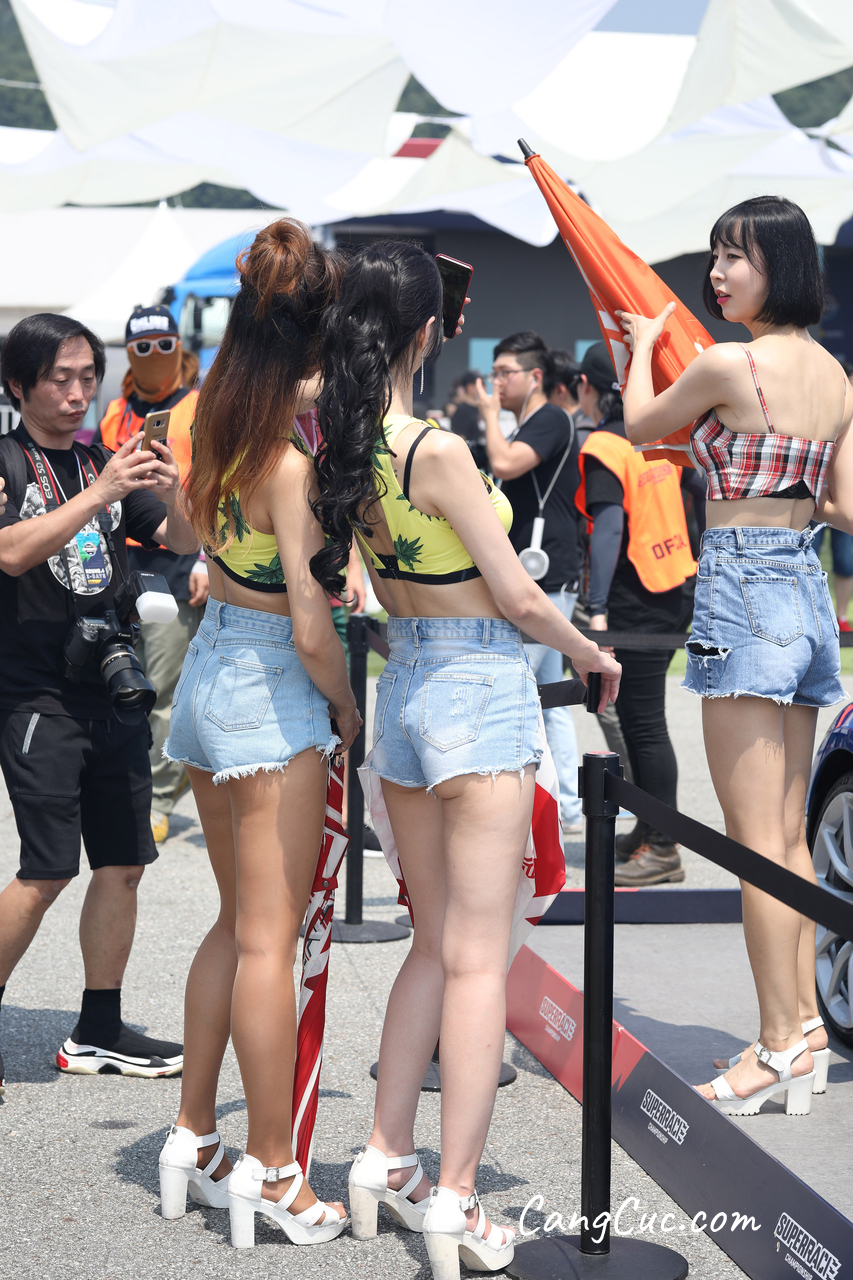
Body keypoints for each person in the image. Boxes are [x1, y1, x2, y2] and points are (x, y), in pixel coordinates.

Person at [310, 241, 620, 1279]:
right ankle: (455, 1195)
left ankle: (383, 1156)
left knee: (434, 943)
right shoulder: (433, 446)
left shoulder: (348, 439)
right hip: (476, 681)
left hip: (403, 684)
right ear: (426, 329)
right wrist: (590, 655)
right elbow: (520, 596)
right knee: (481, 957)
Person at [618, 194, 852, 1116]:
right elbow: (845, 506)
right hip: (805, 586)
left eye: (734, 257)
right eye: (715, 255)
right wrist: (777, 475)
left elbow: (641, 429)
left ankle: (775, 1044)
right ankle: (803, 1031)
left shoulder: (727, 362)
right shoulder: (834, 375)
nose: (716, 273)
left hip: (742, 586)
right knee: (787, 836)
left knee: (756, 844)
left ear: (777, 267)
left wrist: (640, 348)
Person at [157, 218, 359, 1247]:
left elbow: (182, 537)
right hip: (272, 684)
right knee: (267, 940)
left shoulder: (215, 433)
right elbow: (314, 627)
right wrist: (347, 708)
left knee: (237, 923)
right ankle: (276, 1170)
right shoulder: (288, 464)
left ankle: (191, 1133)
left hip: (210, 671)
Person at [0, 313, 198, 1089]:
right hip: (37, 695)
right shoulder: (9, 462)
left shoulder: (100, 462)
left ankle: (99, 1029)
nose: (79, 392)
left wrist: (173, 489)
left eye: (89, 377)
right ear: (18, 386)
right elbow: (11, 552)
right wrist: (102, 492)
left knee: (122, 865)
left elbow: (184, 540)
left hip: (114, 686)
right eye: (61, 379)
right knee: (46, 872)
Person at [575, 342, 696, 884]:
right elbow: (695, 493)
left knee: (643, 725)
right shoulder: (655, 438)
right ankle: (650, 828)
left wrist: (597, 609)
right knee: (639, 721)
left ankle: (664, 847)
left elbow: (608, 532)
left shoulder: (605, 443)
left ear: (587, 388)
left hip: (633, 597)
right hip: (673, 585)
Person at [96, 305, 209, 844]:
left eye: (165, 345)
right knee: (121, 680)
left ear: (179, 347)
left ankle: (158, 798)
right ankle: (128, 785)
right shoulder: (114, 411)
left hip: (177, 556)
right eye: (142, 348)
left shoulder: (200, 406)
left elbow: (218, 481)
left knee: (164, 686)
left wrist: (204, 558)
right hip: (121, 562)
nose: (155, 356)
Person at [477, 331, 585, 834]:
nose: (496, 382)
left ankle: (542, 811)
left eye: (505, 373)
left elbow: (504, 463)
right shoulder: (530, 422)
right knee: (548, 699)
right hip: (541, 574)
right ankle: (567, 808)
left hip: (546, 576)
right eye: (494, 372)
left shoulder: (550, 418)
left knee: (524, 693)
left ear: (535, 376)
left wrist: (486, 415)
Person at [449, 369, 488, 471]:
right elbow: (459, 442)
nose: (486, 387)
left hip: (482, 465)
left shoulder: (481, 409)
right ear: (470, 387)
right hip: (470, 466)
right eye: (482, 384)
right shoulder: (462, 410)